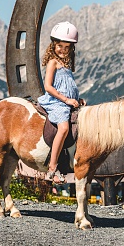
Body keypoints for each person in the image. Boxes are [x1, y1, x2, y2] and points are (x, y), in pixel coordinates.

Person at [38, 21, 83, 184]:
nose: (63, 50)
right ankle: (52, 168)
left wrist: (76, 100)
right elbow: (48, 87)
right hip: (56, 102)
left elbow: (68, 87)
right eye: (59, 46)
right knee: (63, 128)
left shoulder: (66, 66)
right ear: (53, 45)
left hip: (68, 102)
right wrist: (66, 100)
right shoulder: (53, 63)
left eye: (67, 47)